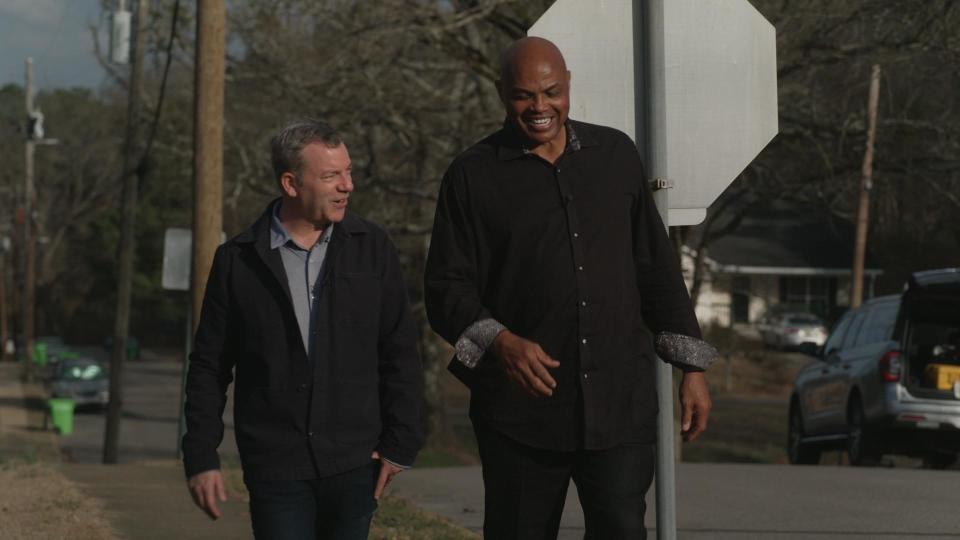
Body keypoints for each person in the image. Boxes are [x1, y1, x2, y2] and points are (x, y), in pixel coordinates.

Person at [424, 37, 717, 539]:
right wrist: (500, 341)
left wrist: (692, 367)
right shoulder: (471, 176)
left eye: (551, 92)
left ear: (568, 88)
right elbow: (446, 288)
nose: (540, 107)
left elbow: (656, 267)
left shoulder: (616, 156)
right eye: (523, 96)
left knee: (623, 529)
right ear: (501, 94)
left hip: (618, 404)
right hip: (521, 414)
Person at [182, 119, 423, 539]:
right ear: (291, 184)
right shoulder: (238, 261)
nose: (347, 185)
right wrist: (201, 456)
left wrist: (401, 443)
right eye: (331, 176)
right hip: (276, 468)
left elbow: (400, 350)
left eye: (349, 172)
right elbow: (209, 367)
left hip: (355, 464)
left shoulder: (373, 247)